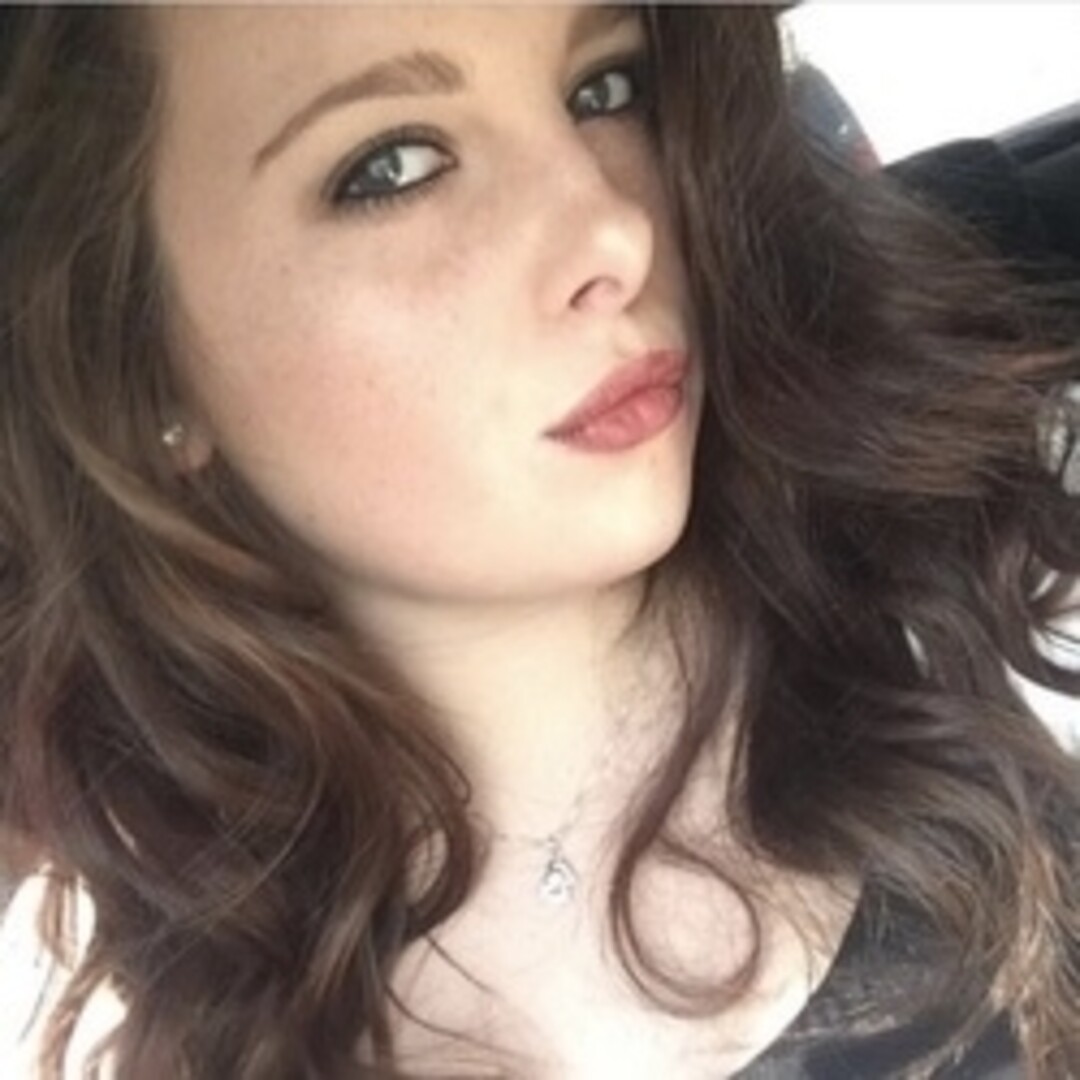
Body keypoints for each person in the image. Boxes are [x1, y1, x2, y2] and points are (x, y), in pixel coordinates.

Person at [0, 5, 1077, 1078]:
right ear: (134, 368)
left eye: (606, 91)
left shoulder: (984, 556)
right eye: (393, 166)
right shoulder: (101, 1000)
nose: (617, 229)